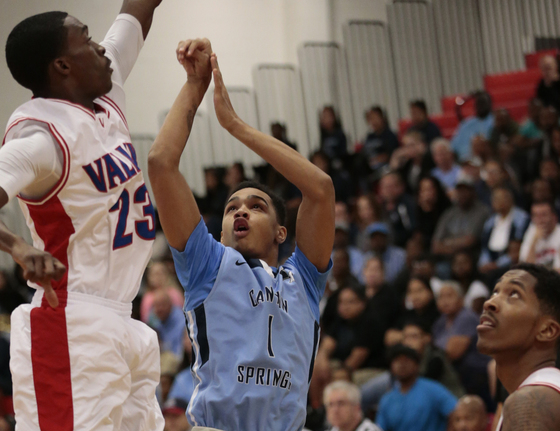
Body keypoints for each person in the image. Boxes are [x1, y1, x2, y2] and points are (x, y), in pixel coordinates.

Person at [0, 1, 165, 429]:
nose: (101, 48)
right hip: (72, 322)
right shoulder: (39, 137)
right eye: (86, 39)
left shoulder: (105, 93)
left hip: (123, 318)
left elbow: (136, 12)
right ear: (63, 65)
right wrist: (18, 246)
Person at [147, 39, 334, 430]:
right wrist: (195, 86)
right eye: (232, 207)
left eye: (256, 206)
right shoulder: (209, 261)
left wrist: (235, 125)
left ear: (282, 232)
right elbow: (161, 163)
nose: (241, 211)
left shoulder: (305, 280)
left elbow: (320, 188)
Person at [477, 264, 560, 430]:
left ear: (547, 330)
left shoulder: (530, 400)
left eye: (514, 294)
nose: (489, 303)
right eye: (495, 291)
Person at [375, 344, 458, 431]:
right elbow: (380, 428)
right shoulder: (387, 399)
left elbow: (455, 412)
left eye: (406, 360)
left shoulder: (432, 389)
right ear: (391, 367)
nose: (402, 365)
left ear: (416, 365)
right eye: (397, 361)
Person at [432, 282, 491, 403]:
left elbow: (453, 353)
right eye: (441, 297)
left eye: (449, 296)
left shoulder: (466, 317)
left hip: (476, 373)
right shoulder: (439, 323)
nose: (445, 301)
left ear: (461, 299)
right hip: (455, 373)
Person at [432, 176, 491, 261]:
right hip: (447, 258)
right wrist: (453, 248)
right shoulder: (449, 212)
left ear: (473, 192)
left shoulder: (482, 211)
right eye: (459, 190)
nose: (462, 193)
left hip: (471, 257)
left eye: (466, 190)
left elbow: (470, 241)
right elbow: (435, 245)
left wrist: (447, 242)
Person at [478, 187, 530, 281]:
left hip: (510, 264)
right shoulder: (490, 222)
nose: (496, 202)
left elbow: (517, 247)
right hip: (492, 263)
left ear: (510, 199)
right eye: (494, 199)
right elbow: (484, 246)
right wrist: (484, 263)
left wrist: (497, 264)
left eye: (500, 198)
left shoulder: (521, 219)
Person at [451, 92, 494, 161]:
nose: (480, 107)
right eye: (478, 104)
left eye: (483, 103)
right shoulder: (465, 124)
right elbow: (453, 147)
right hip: (467, 163)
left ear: (490, 105)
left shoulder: (496, 121)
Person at [378, 171, 416, 247]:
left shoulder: (407, 204)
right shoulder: (379, 207)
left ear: (401, 187)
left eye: (391, 186)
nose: (388, 190)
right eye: (385, 187)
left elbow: (412, 231)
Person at [519, 200, 560, 269]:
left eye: (544, 215)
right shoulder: (532, 231)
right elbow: (525, 267)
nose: (540, 220)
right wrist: (534, 241)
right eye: (536, 216)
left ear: (554, 217)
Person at [415, 176, 452, 248]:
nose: (427, 193)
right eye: (423, 190)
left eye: (430, 189)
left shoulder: (446, 208)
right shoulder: (416, 209)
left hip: (443, 243)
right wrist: (425, 209)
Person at [148, 288, 185, 358]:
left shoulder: (182, 322)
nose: (158, 309)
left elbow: (180, 355)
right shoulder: (154, 320)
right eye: (155, 306)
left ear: (170, 304)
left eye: (161, 305)